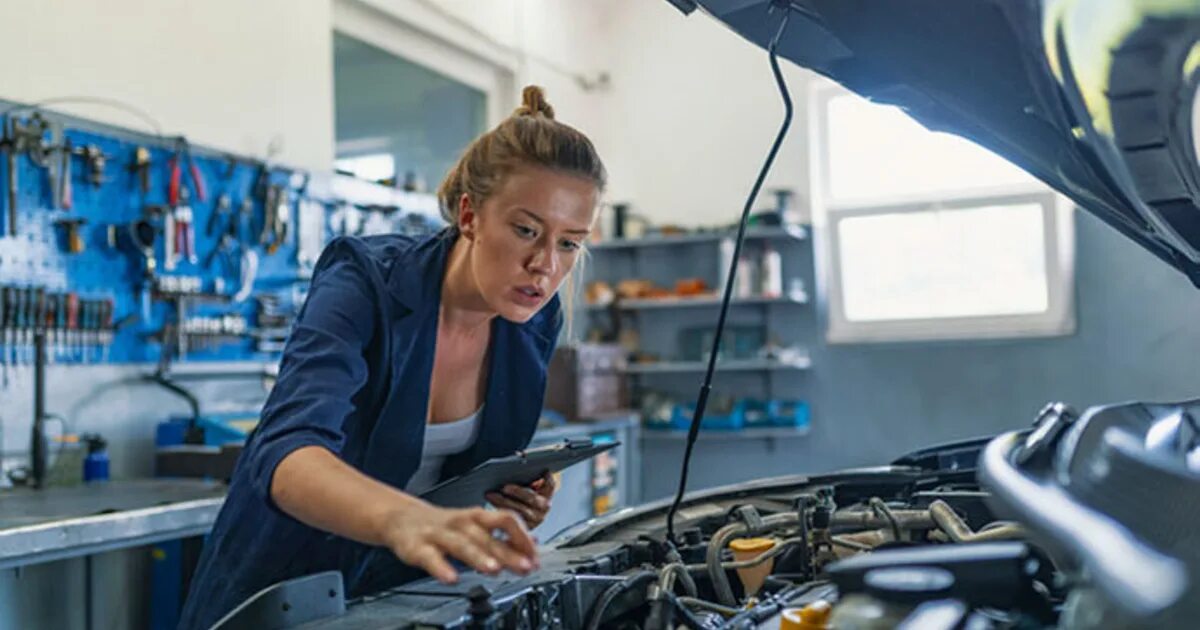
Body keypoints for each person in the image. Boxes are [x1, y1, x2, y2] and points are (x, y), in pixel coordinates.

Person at [178, 85, 606, 629]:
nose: (545, 265)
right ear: (471, 216)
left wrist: (512, 490)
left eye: (569, 243)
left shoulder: (533, 318)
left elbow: (465, 471)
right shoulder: (365, 281)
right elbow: (285, 454)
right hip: (288, 592)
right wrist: (408, 519)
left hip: (416, 597)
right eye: (526, 230)